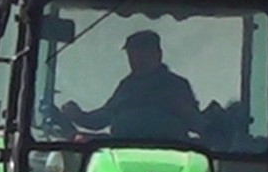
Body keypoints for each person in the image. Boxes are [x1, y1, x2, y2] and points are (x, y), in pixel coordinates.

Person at [60, 30, 204, 141]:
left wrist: (184, 111)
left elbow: (198, 125)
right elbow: (103, 117)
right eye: (132, 55)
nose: (136, 60)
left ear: (158, 54)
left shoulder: (177, 86)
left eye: (142, 54)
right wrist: (79, 116)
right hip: (121, 154)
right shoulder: (126, 87)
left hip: (171, 156)